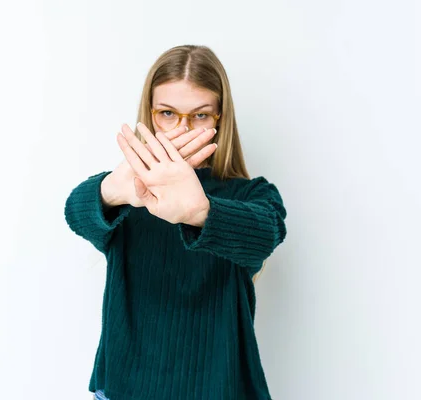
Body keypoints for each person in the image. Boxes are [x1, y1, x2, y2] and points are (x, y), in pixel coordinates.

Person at [64, 44, 287, 400]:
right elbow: (75, 212)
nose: (181, 128)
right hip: (124, 389)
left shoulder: (251, 195)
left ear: (220, 118)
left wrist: (200, 211)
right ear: (150, 116)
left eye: (199, 115)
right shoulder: (130, 194)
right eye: (167, 113)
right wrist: (111, 189)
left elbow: (266, 233)